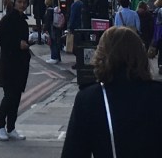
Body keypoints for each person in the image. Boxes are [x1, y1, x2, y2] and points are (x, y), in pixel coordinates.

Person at [61, 26, 162, 157]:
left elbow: (73, 152)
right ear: (141, 55)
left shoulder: (89, 98)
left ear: (101, 55)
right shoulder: (157, 93)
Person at [0, 0, 32, 141]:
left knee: (16, 99)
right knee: (9, 97)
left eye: (24, 2)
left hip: (21, 65)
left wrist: (28, 43)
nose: (22, 5)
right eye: (19, 2)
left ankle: (11, 128)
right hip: (9, 65)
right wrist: (18, 44)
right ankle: (0, 127)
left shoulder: (23, 21)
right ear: (14, 3)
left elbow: (23, 41)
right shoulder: (7, 19)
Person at [42, 0, 62, 64]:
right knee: (56, 42)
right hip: (56, 28)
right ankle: (58, 57)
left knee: (52, 43)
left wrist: (44, 29)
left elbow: (48, 21)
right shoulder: (54, 9)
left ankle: (54, 57)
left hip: (51, 28)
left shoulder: (49, 10)